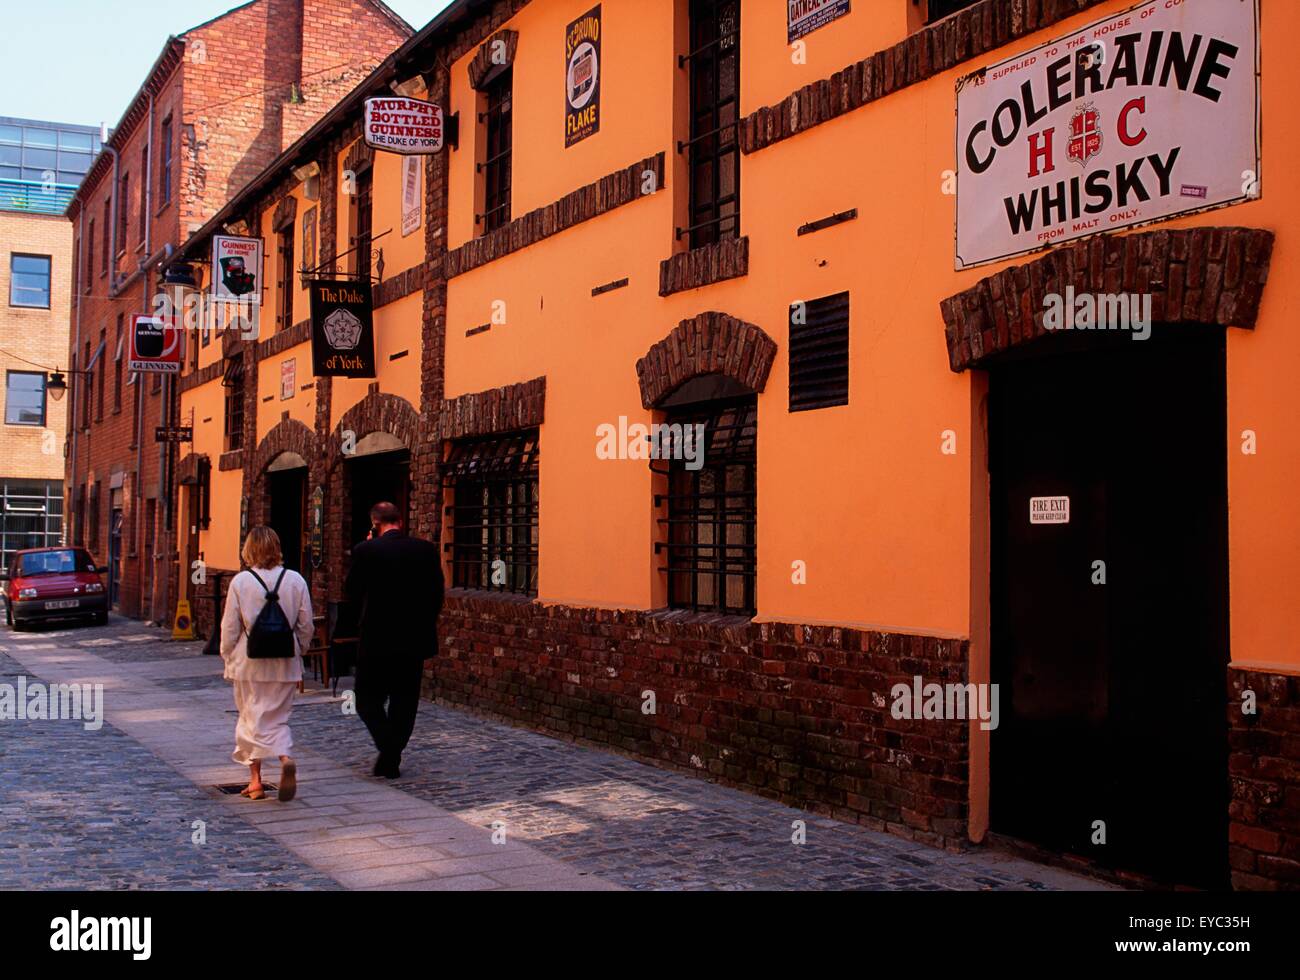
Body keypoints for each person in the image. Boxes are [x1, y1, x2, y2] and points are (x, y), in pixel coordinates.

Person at [344, 502, 444, 779]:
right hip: (413, 639)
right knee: (404, 701)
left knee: (366, 701)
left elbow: (351, 591)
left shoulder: (366, 550)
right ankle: (392, 755)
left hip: (375, 639)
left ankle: (388, 750)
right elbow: (436, 594)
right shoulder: (425, 550)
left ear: (375, 524)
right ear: (400, 520)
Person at [220, 526, 315, 801]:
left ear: (249, 549)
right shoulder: (295, 580)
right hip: (285, 662)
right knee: (277, 717)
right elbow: (305, 623)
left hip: (249, 662)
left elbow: (230, 627)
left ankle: (256, 781)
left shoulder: (240, 582)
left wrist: (228, 655)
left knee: (250, 716)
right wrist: (300, 650)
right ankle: (285, 758)